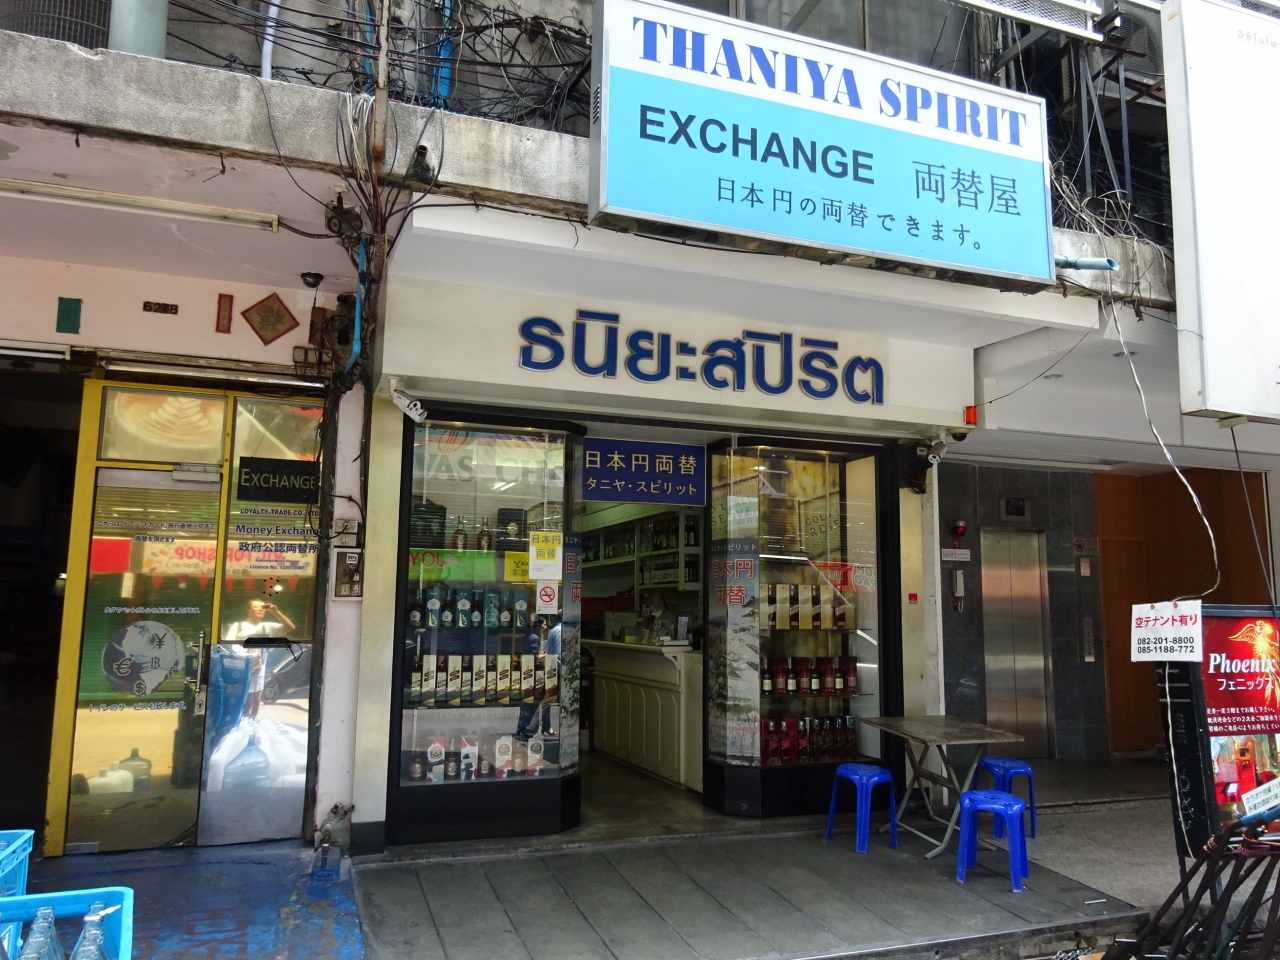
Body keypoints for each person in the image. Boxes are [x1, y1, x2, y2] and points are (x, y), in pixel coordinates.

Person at [223, 599, 296, 716]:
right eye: (256, 607)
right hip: (240, 670)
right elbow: (227, 645)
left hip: (258, 670)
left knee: (256, 700)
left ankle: (251, 721)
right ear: (248, 611)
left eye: (263, 607)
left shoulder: (267, 627)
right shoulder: (238, 626)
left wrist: (276, 612)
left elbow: (290, 627)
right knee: (241, 698)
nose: (260, 609)